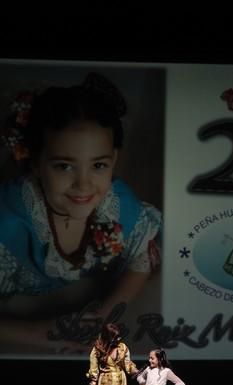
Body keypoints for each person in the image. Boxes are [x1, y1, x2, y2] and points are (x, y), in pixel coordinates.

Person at [0, 72, 161, 352]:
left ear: (113, 160)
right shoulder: (10, 224)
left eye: (98, 165)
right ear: (36, 162)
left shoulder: (117, 203)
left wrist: (101, 318)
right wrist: (39, 333)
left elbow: (143, 255)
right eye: (64, 166)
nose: (84, 185)